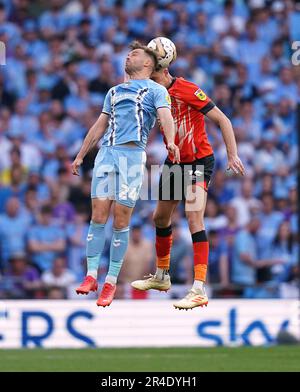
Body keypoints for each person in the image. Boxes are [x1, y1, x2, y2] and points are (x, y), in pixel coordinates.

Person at [72, 41, 180, 307]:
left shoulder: (156, 91)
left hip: (132, 157)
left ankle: (110, 281)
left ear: (147, 63)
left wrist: (171, 140)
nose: (129, 55)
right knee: (98, 215)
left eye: (135, 53)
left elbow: (166, 117)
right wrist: (81, 154)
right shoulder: (114, 91)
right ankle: (90, 276)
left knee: (121, 219)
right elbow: (100, 125)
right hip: (107, 153)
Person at [131, 63, 245, 310]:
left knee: (194, 218)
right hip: (175, 163)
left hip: (197, 162)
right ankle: (162, 275)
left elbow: (222, 119)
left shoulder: (187, 89)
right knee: (160, 218)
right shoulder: (153, 95)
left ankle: (199, 288)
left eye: (150, 73)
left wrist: (232, 154)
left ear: (162, 70)